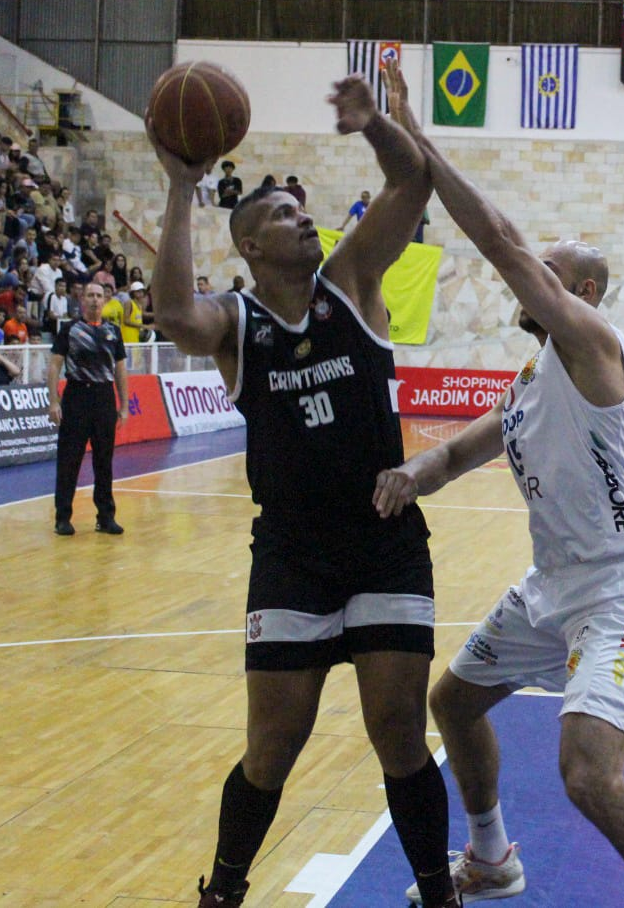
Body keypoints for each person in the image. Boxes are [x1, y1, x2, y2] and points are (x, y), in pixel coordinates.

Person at [372, 58, 624, 908]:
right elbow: (452, 455)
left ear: (579, 290)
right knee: (453, 703)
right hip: (552, 587)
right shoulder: (527, 385)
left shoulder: (593, 343)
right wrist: (409, 474)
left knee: (590, 777)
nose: (527, 274)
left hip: (621, 588)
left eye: (547, 268)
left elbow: (498, 239)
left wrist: (416, 135)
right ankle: (492, 862)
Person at [145, 74, 459, 908]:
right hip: (291, 552)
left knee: (397, 730)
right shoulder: (235, 321)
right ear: (249, 245)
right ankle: (225, 888)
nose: (301, 217)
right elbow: (172, 310)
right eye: (282, 214)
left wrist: (375, 126)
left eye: (300, 208)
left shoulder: (353, 281)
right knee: (272, 747)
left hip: (383, 538)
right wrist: (181, 186)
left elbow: (412, 181)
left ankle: (438, 891)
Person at [46, 282, 129, 538]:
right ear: (82, 300)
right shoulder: (70, 330)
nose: (94, 300)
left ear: (105, 300)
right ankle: (63, 517)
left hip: (104, 398)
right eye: (90, 296)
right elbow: (54, 366)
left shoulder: (113, 331)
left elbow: (120, 370)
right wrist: (53, 401)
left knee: (104, 461)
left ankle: (106, 517)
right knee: (69, 460)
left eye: (99, 296)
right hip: (76, 396)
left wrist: (124, 405)